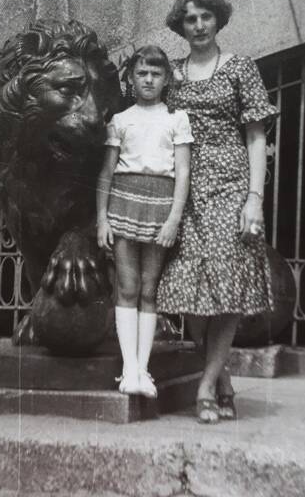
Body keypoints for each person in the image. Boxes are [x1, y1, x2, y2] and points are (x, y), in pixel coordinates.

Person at [156, 0, 279, 424]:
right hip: (184, 188)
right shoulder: (171, 73)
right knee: (189, 285)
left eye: (205, 17)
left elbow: (257, 136)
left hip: (230, 186)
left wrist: (254, 200)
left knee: (226, 279)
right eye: (190, 19)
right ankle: (221, 375)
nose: (199, 26)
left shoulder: (241, 69)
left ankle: (205, 386)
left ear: (218, 19)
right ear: (181, 26)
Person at [97, 45, 192, 398]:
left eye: (155, 73)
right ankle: (129, 371)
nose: (148, 79)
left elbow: (183, 174)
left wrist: (173, 219)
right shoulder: (120, 121)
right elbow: (106, 174)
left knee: (150, 290)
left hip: (160, 207)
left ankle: (144, 369)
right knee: (127, 287)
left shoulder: (176, 120)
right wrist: (102, 219)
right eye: (141, 73)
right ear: (131, 78)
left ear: (166, 78)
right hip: (124, 204)